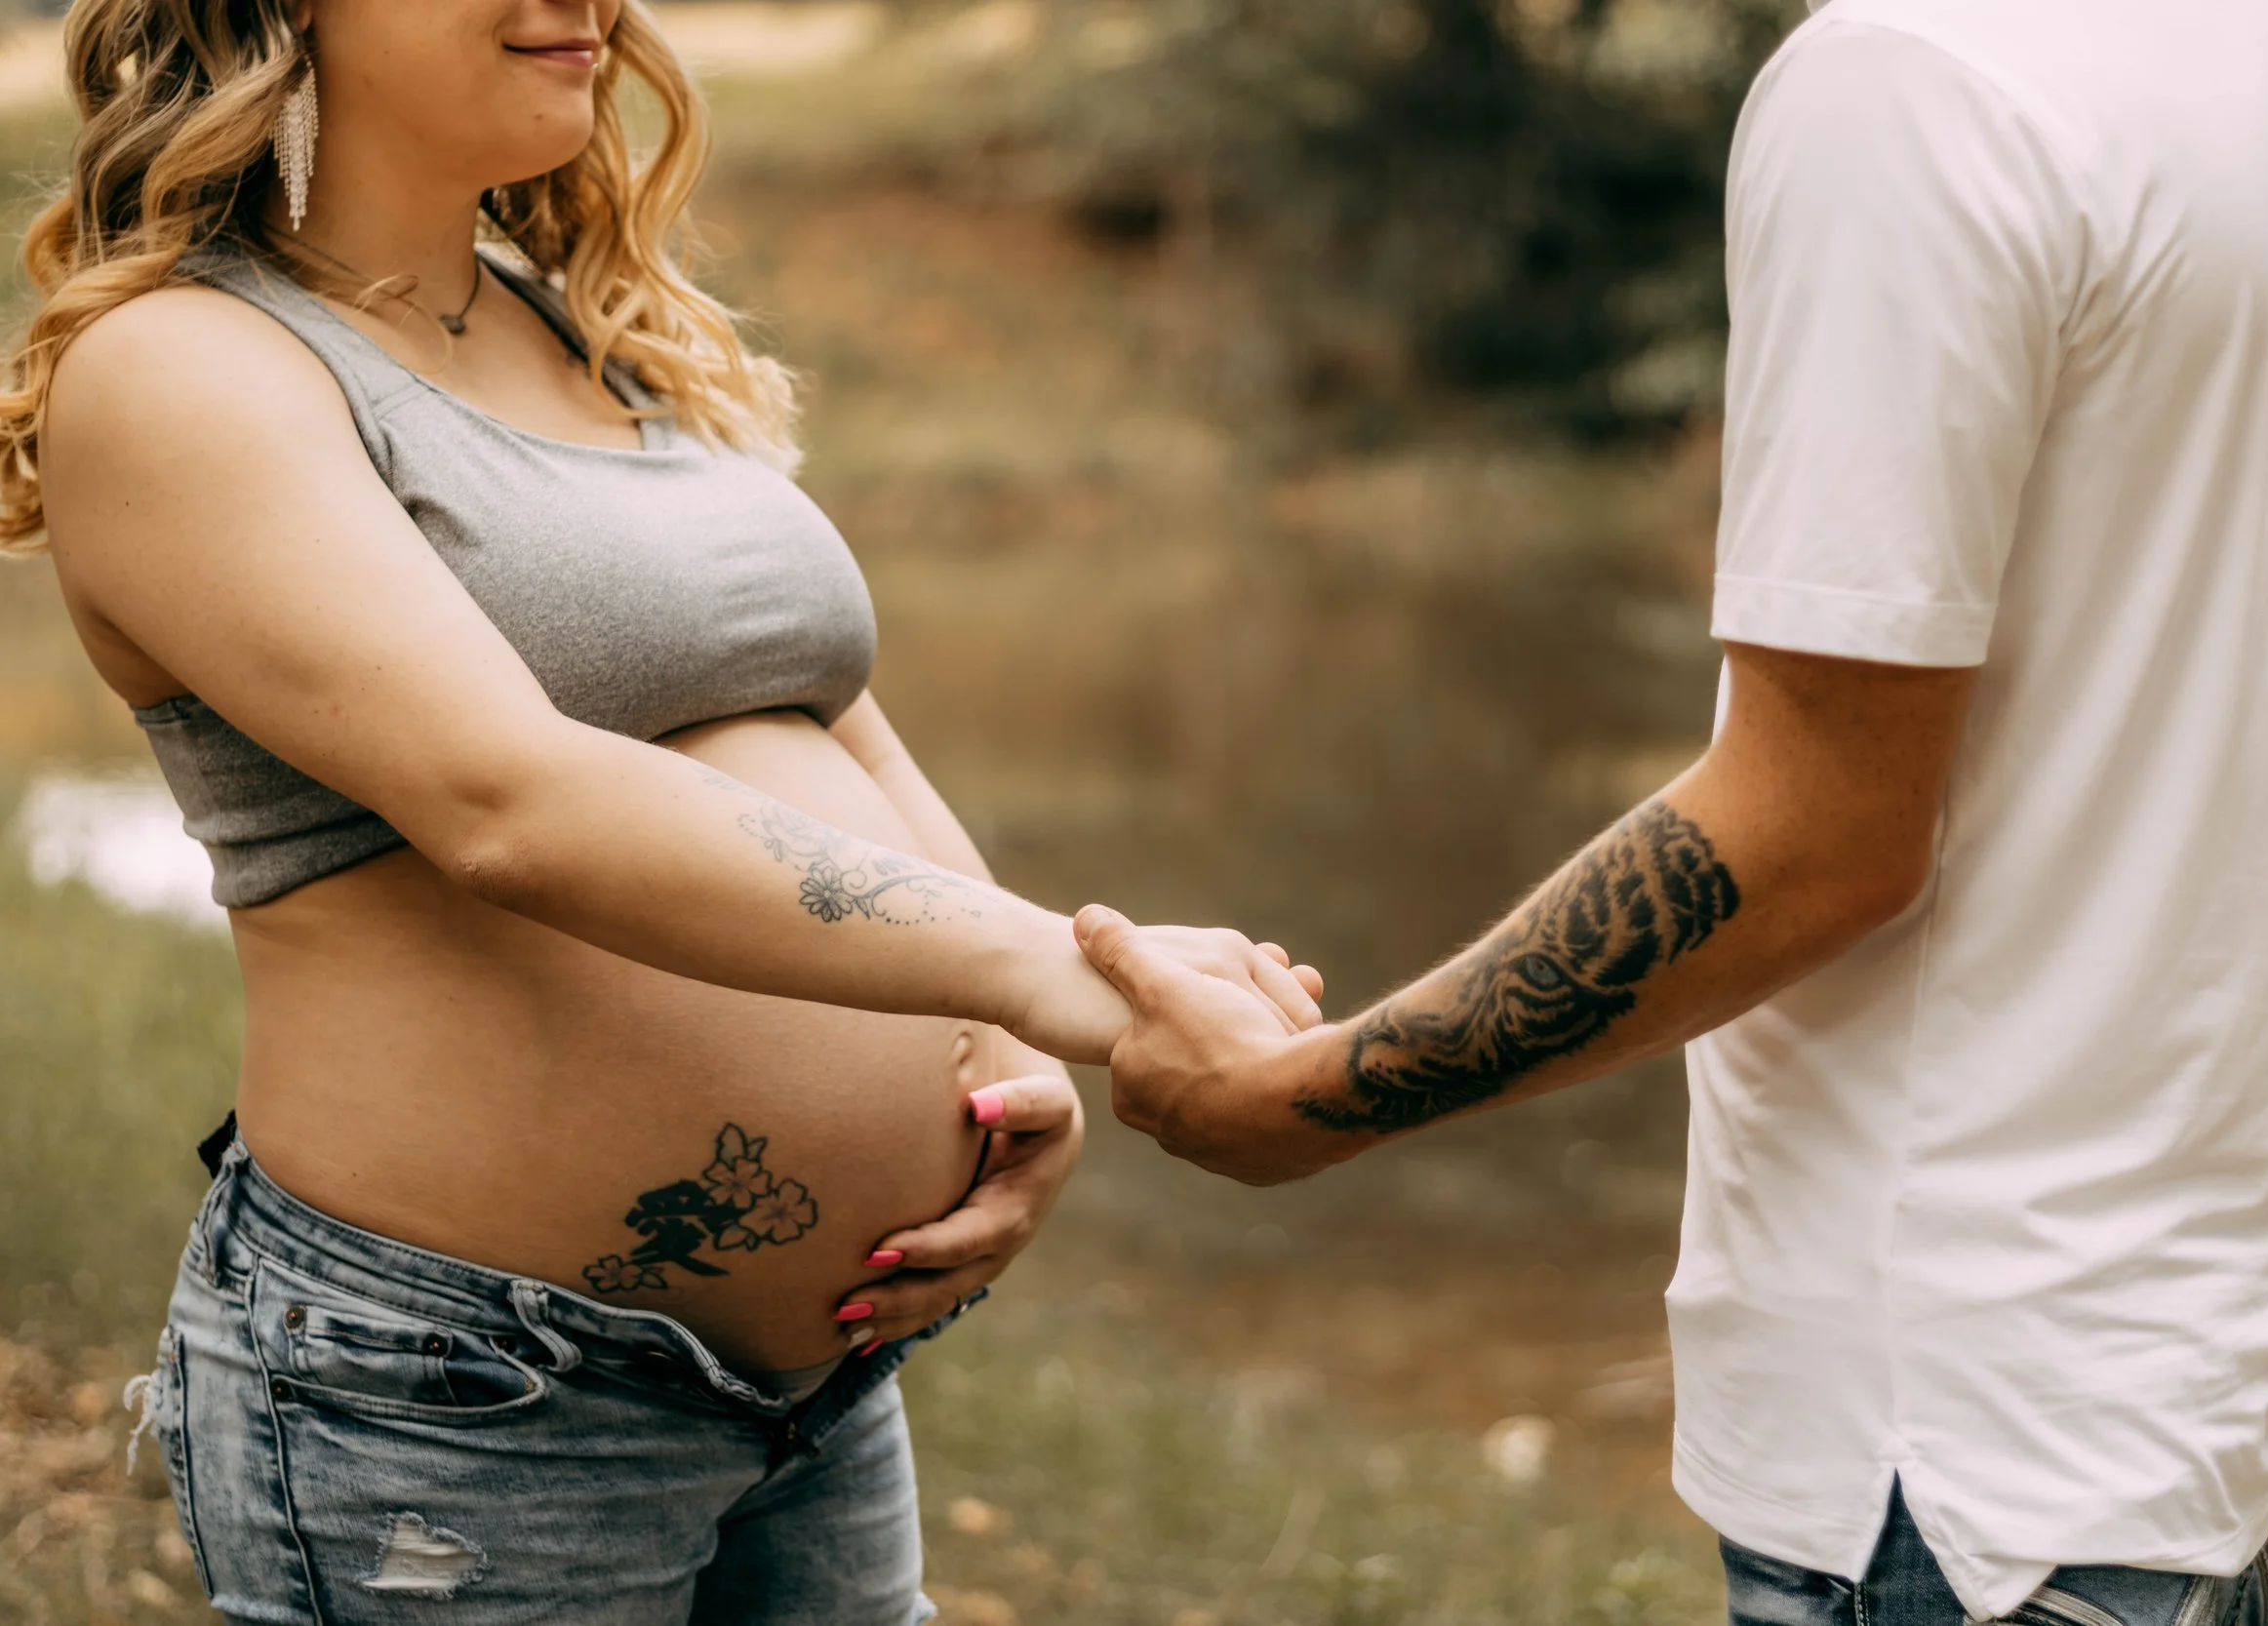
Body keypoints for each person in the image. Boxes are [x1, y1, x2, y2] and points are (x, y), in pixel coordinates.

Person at [1078, 0, 2268, 1621]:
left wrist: (1314, 1092)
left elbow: (1818, 830)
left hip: (1948, 1466)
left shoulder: (1909, 84)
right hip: (2179, 1401)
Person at [6, 2, 1321, 1621]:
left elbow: (830, 714)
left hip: (816, 1389)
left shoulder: (581, 325)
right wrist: (1070, 973)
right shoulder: (178, 370)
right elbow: (512, 799)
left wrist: (1007, 1057)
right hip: (461, 1397)